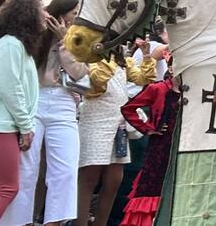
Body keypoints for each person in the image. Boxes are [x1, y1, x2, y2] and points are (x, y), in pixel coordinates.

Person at [0, 0, 87, 226]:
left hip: (64, 101)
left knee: (65, 169)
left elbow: (80, 73)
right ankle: (17, 222)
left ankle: (54, 222)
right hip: (34, 99)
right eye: (74, 12)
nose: (76, 17)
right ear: (61, 13)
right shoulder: (36, 33)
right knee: (26, 168)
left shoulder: (77, 37)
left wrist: (65, 43)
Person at [76, 47, 155, 226]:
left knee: (114, 180)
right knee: (89, 177)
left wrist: (147, 54)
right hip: (95, 120)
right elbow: (97, 81)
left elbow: (144, 78)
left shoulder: (122, 60)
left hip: (118, 124)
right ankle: (79, 222)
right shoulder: (91, 56)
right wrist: (106, 54)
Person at [0, 0, 42, 224]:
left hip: (0, 125)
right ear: (28, 16)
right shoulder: (10, 44)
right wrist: (26, 125)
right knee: (6, 189)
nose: (45, 15)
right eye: (41, 10)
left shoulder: (15, 45)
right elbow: (11, 89)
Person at [117, 70, 181, 226]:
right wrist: (148, 128)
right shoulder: (158, 88)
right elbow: (128, 109)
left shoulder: (192, 90)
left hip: (181, 145)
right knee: (151, 185)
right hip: (159, 146)